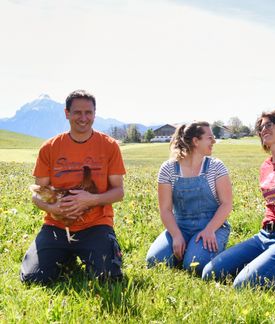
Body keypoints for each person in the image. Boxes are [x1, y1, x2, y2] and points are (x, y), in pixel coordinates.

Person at [20, 90, 126, 284]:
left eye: (89, 112)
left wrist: (91, 199)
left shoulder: (109, 146)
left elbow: (119, 192)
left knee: (109, 278)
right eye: (77, 112)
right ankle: (65, 253)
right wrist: (52, 208)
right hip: (56, 225)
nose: (83, 118)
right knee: (33, 278)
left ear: (95, 114)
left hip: (96, 225)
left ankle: (91, 250)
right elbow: (37, 194)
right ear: (67, 113)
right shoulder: (50, 147)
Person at [202, 110, 275, 289]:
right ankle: (265, 269)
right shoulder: (265, 166)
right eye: (261, 127)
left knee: (242, 284)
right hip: (263, 236)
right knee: (209, 272)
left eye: (269, 125)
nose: (264, 130)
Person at [146, 122, 232, 276]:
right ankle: (186, 248)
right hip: (180, 227)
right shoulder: (168, 169)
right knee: (154, 261)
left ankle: (196, 251)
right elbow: (165, 210)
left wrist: (210, 230)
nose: (214, 141)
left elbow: (226, 204)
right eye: (210, 138)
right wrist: (176, 235)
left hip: (212, 227)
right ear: (195, 141)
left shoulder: (216, 166)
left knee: (194, 265)